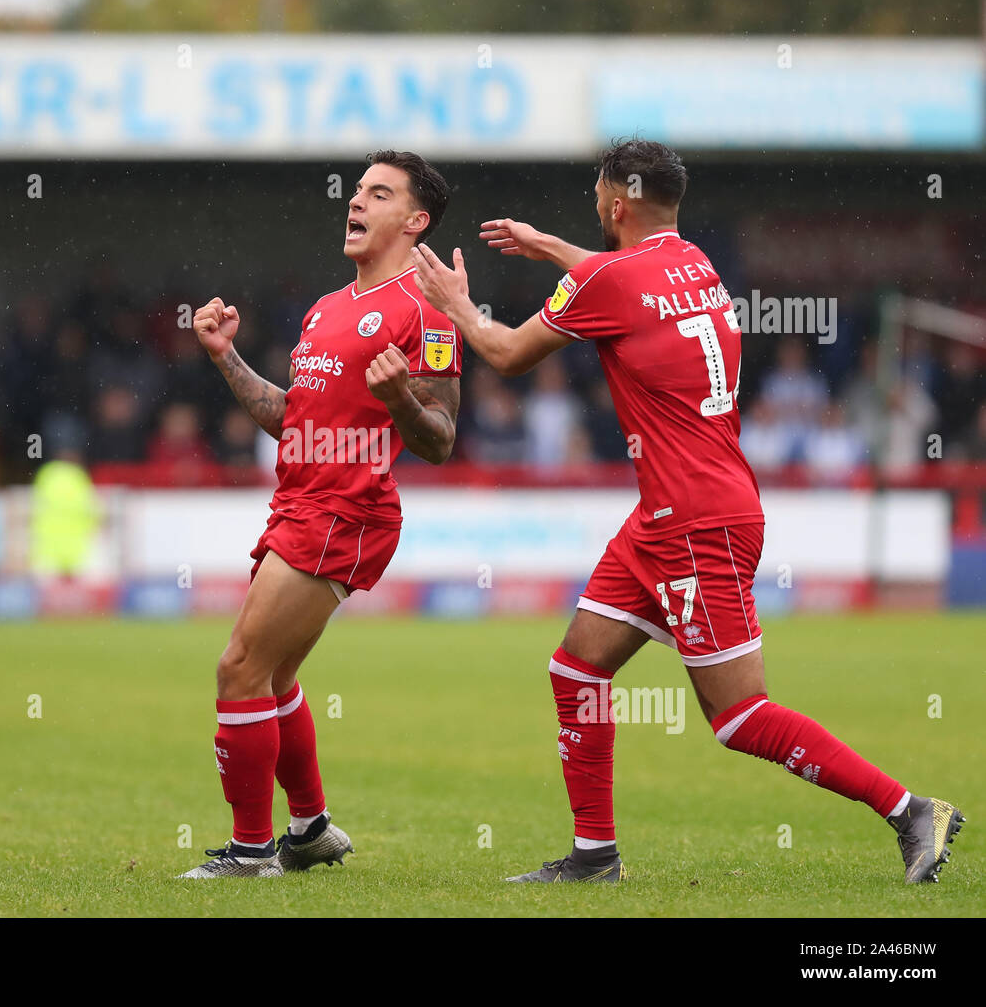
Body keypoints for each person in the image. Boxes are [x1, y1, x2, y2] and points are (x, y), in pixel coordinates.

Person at [410, 138, 964, 885]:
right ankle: (595, 857)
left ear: (616, 204)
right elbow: (626, 280)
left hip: (697, 521)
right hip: (671, 515)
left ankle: (908, 810)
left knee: (737, 717)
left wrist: (453, 303)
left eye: (598, 203)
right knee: (577, 669)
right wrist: (550, 249)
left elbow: (507, 353)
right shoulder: (694, 263)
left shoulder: (609, 275)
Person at [181, 150, 462, 878]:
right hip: (300, 502)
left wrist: (402, 398)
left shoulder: (426, 310)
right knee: (271, 678)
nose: (356, 203)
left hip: (346, 510)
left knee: (238, 666)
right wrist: (225, 357)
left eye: (378, 193)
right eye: (357, 191)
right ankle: (307, 831)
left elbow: (440, 438)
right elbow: (289, 415)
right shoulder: (327, 308)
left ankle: (249, 853)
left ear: (415, 219)